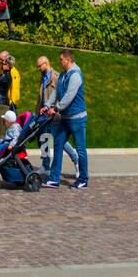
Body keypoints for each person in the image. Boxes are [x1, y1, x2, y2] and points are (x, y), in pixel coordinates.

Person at [45, 49, 88, 190]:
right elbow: (56, 93)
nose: (60, 62)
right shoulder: (63, 75)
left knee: (80, 149)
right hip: (65, 118)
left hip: (77, 118)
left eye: (61, 60)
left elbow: (69, 96)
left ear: (68, 60)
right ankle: (54, 179)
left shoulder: (75, 75)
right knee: (58, 144)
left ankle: (83, 179)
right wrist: (47, 105)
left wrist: (56, 108)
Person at [36, 55, 78, 176]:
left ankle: (76, 159)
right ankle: (45, 166)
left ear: (46, 63)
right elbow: (41, 97)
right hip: (44, 114)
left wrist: (56, 110)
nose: (38, 68)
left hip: (54, 114)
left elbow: (61, 96)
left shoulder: (56, 77)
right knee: (45, 138)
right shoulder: (43, 77)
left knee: (60, 140)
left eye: (39, 66)